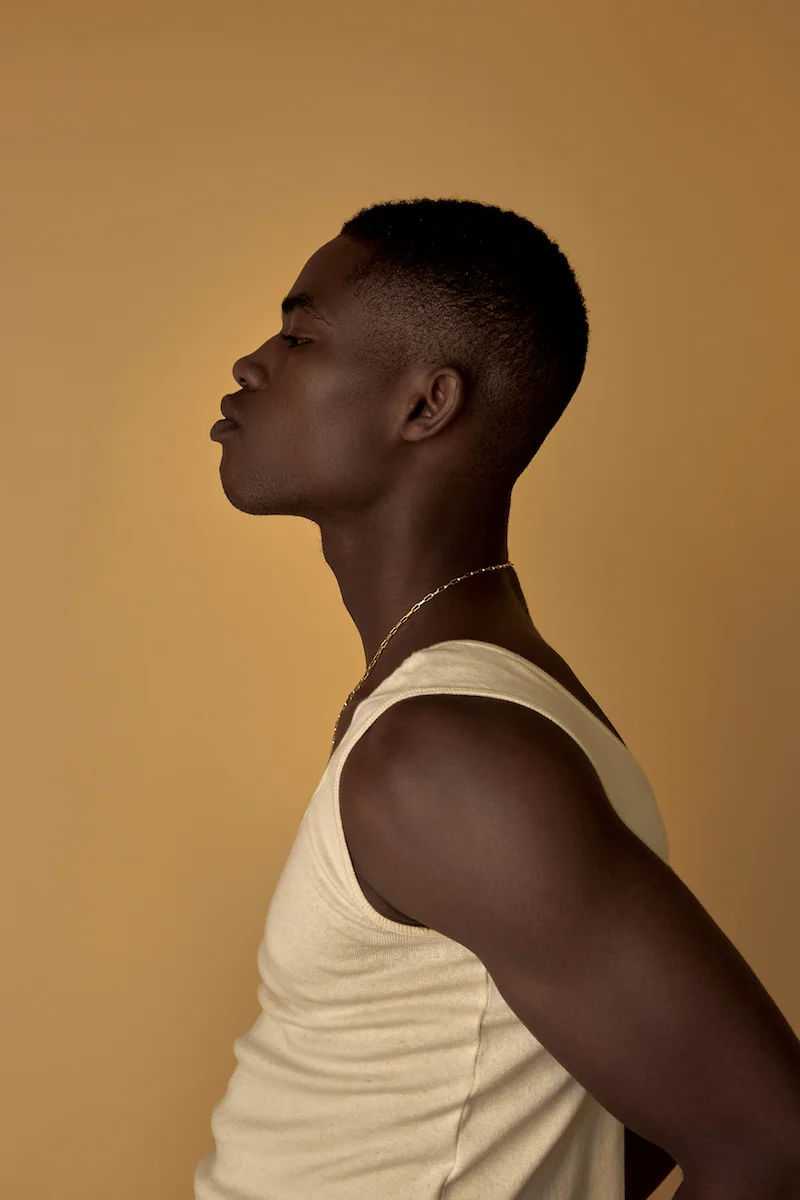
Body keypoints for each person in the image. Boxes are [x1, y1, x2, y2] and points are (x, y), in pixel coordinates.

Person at [195, 198, 800, 1199]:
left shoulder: (450, 754)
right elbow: (607, 1112)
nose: (251, 363)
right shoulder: (467, 709)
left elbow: (769, 1143)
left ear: (426, 406)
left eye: (299, 337)